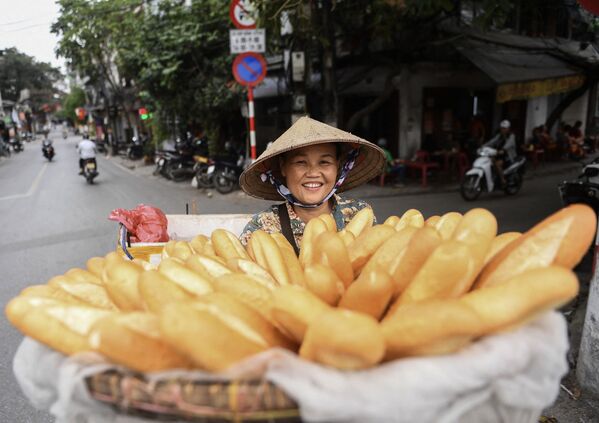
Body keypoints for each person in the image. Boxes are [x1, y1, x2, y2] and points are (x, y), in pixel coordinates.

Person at [238, 116, 385, 251]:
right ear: (283, 167)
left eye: (324, 162)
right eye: (301, 162)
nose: (313, 173)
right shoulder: (262, 227)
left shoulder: (359, 214)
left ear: (337, 166)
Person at [484, 120, 517, 186]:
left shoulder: (511, 136)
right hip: (499, 153)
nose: (503, 130)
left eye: (504, 128)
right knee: (489, 161)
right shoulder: (499, 136)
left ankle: (503, 180)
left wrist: (503, 149)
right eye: (502, 128)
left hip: (508, 155)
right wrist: (483, 146)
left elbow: (509, 144)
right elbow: (492, 141)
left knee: (498, 164)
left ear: (508, 128)